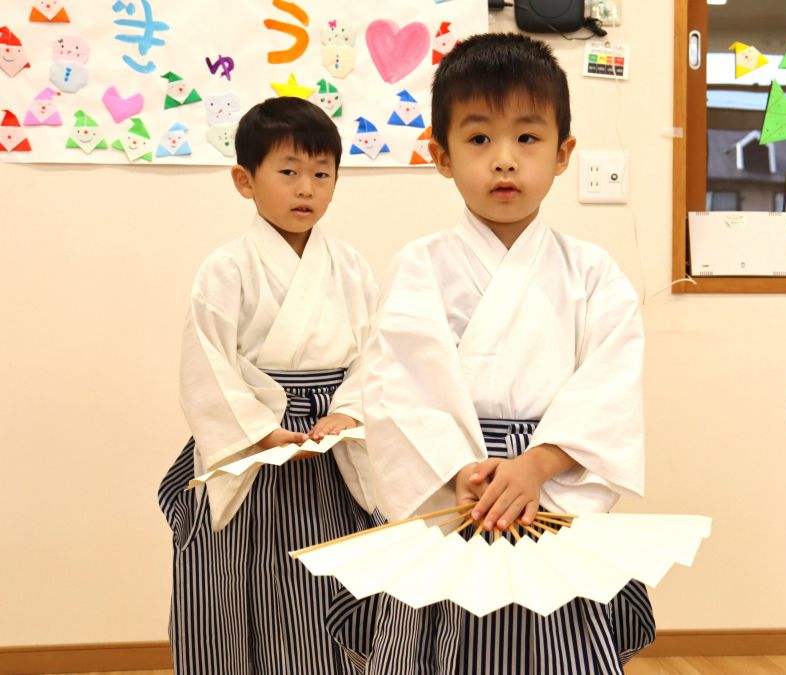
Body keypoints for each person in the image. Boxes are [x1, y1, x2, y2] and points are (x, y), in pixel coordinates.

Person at [328, 32, 655, 675]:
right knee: (440, 646)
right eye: (478, 139)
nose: (504, 160)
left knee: (558, 641)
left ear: (563, 154)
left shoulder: (593, 272)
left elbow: (609, 388)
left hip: (550, 487)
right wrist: (459, 471)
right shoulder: (419, 265)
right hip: (457, 492)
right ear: (441, 155)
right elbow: (399, 389)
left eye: (527, 138)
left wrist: (537, 466)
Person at [157, 96, 380, 674]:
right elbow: (205, 361)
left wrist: (351, 411)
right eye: (288, 171)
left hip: (329, 443)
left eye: (321, 174)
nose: (306, 188)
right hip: (252, 442)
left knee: (327, 576)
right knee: (230, 584)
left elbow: (377, 353)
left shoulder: (350, 265)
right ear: (244, 180)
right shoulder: (227, 267)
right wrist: (257, 432)